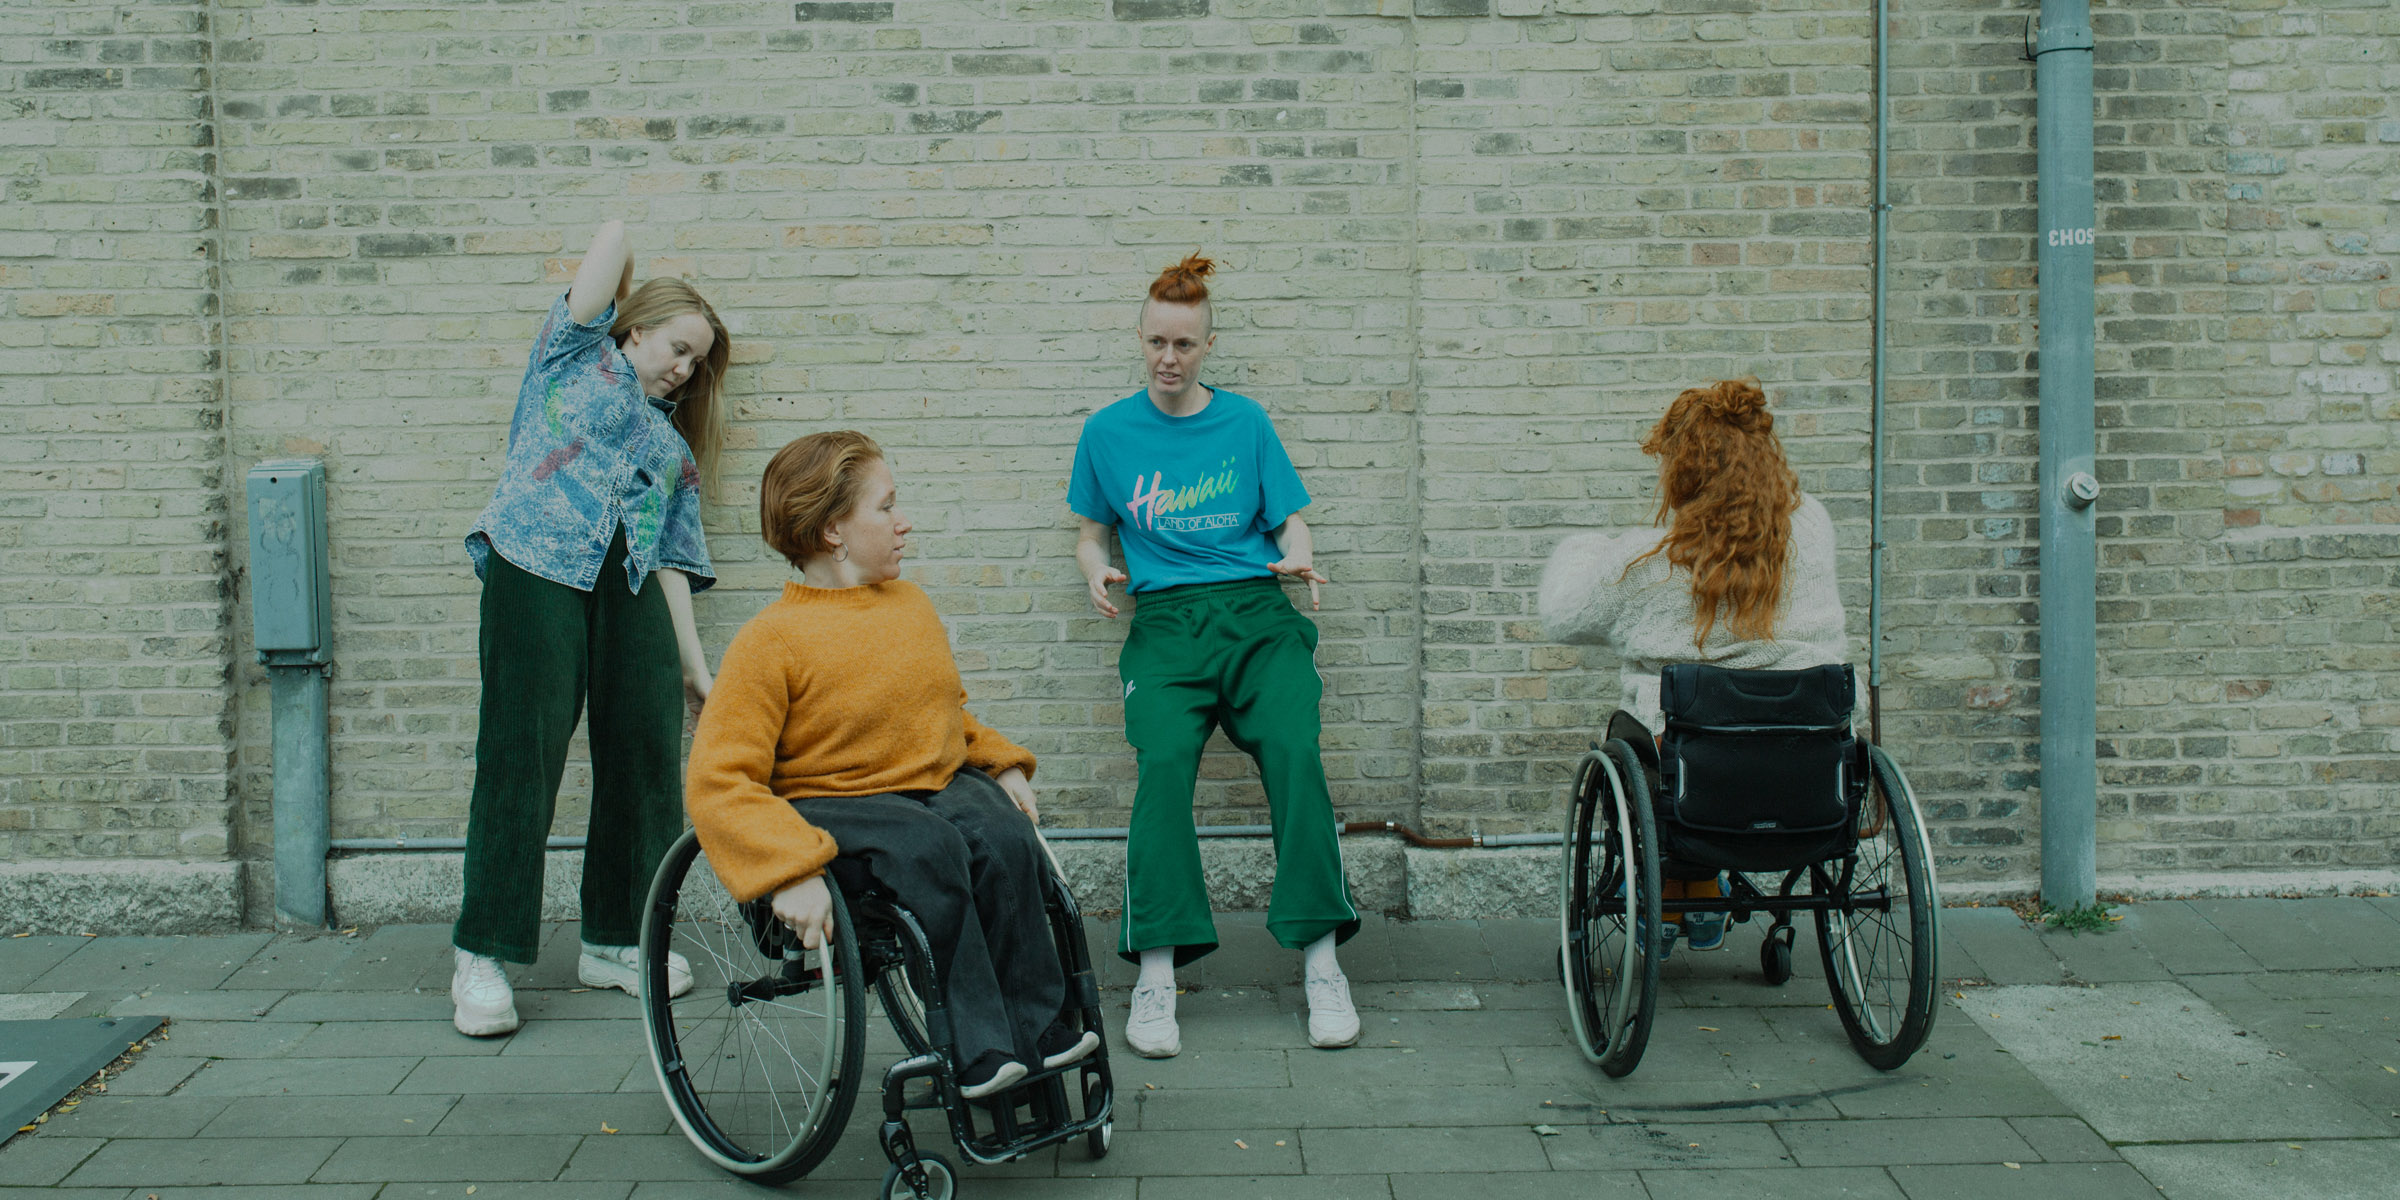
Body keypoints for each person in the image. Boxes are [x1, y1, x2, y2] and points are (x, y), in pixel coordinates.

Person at [684, 431, 1099, 1100]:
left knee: (1003, 834)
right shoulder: (771, 641)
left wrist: (999, 764)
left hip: (929, 786)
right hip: (832, 805)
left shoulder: (909, 607)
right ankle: (980, 1048)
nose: (904, 521)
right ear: (831, 532)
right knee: (930, 847)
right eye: (886, 507)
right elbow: (719, 780)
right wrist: (784, 870)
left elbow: (942, 715)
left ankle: (1044, 1028)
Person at [1068, 253, 1359, 1058]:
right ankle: (1156, 976)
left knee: (1296, 756)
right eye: (1158, 341)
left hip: (1258, 616)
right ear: (1140, 338)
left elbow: (1289, 520)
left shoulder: (1245, 423)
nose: (1170, 358)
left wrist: (1296, 555)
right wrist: (1098, 570)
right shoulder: (1108, 432)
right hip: (1164, 624)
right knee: (1162, 768)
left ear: (1208, 345)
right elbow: (1090, 531)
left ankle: (1322, 964)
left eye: (1186, 344)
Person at [449, 220, 726, 1037]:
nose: (684, 368)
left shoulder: (671, 448)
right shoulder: (569, 359)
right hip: (534, 565)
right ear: (632, 329)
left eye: (696, 360)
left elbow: (672, 560)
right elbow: (607, 249)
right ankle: (483, 955)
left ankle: (616, 939)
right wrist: (626, 246)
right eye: (676, 346)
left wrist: (695, 671)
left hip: (629, 584)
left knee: (645, 754)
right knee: (521, 752)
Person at [1537, 378, 1848, 952]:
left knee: (1653, 741)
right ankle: (1704, 892)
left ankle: (1684, 886)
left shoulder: (1648, 561)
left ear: (1681, 468)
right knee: (1701, 742)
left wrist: (1586, 547)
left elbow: (1563, 615)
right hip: (1806, 771)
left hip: (1692, 784)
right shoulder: (1814, 528)